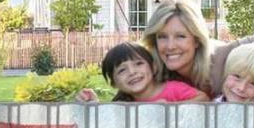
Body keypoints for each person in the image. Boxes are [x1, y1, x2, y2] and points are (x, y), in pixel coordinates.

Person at [78, 42, 209, 103]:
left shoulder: (173, 89)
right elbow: (109, 125)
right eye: (122, 70)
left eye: (139, 64)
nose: (132, 72)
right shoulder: (124, 105)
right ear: (114, 83)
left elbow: (204, 99)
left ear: (154, 67)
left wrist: (171, 108)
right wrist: (93, 106)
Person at [142, 0, 213, 95]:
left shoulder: (220, 68)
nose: (170, 46)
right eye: (162, 37)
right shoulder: (147, 72)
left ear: (197, 40)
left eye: (180, 36)